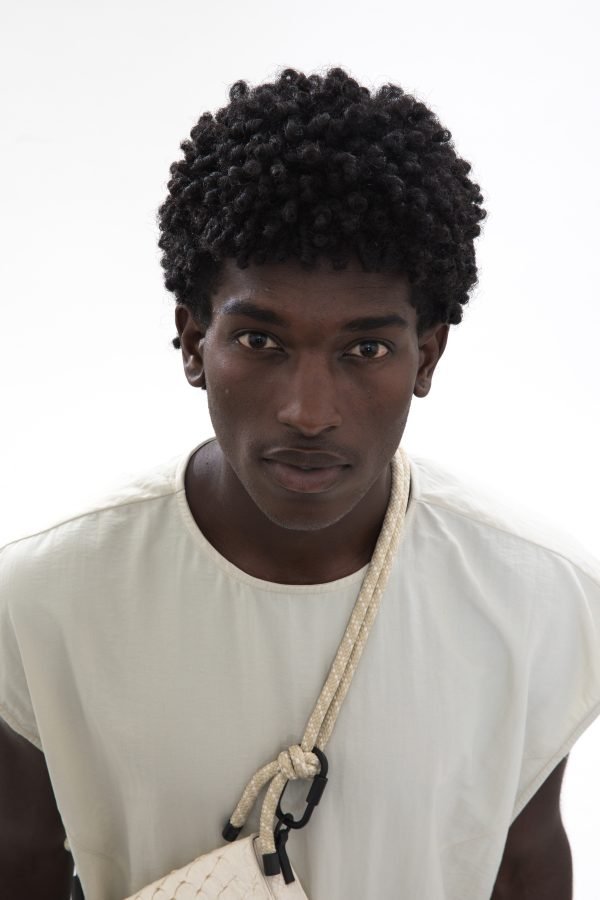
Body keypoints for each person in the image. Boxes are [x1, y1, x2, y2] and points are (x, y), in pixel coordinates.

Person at [1, 67, 599, 900]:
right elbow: (19, 859)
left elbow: (524, 863)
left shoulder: (540, 597)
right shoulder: (44, 594)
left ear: (426, 356)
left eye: (365, 349)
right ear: (193, 342)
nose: (309, 412)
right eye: (260, 341)